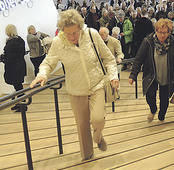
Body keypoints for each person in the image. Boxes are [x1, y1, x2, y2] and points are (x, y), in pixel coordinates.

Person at [30, 10, 119, 161]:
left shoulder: (92, 34)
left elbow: (109, 59)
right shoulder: (59, 42)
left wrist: (113, 76)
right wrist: (42, 75)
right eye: (68, 34)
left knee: (98, 119)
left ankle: (98, 136)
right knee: (82, 125)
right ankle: (87, 155)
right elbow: (49, 62)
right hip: (76, 90)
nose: (72, 37)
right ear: (62, 31)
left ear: (80, 27)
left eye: (75, 33)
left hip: (96, 84)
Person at [128, 19, 174, 123]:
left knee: (164, 98)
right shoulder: (148, 41)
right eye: (160, 32)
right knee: (150, 96)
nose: (162, 35)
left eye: (165, 32)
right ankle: (153, 110)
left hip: (167, 75)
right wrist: (133, 75)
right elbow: (139, 58)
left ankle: (161, 116)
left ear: (169, 32)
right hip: (151, 74)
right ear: (156, 31)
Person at [0, 24, 27, 112]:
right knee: (18, 86)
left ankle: (22, 105)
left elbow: (9, 59)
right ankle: (20, 103)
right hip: (21, 66)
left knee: (18, 87)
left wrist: (2, 57)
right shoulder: (20, 41)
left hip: (14, 69)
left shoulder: (11, 44)